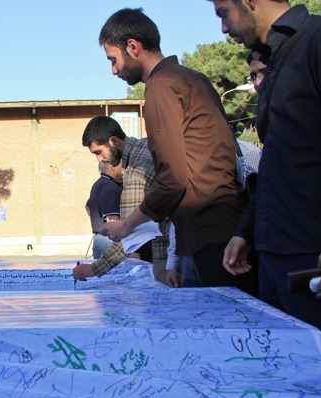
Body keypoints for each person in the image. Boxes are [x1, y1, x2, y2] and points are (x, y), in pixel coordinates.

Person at [210, 0, 321, 343]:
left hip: (320, 257)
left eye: (223, 13)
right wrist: (247, 232)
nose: (224, 28)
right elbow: (276, 163)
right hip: (274, 259)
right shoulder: (275, 62)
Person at [96, 8, 251, 293]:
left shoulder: (161, 86)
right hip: (226, 227)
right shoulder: (191, 78)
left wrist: (127, 225)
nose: (114, 70)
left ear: (133, 46)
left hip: (209, 235)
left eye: (113, 60)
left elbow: (174, 179)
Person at [73, 116, 170, 284]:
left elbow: (127, 231)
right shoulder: (146, 147)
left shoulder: (136, 170)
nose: (100, 159)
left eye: (98, 152)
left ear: (114, 141)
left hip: (168, 256)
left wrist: (95, 269)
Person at [166, 139, 262, 288]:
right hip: (190, 254)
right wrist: (172, 263)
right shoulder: (187, 157)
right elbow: (180, 213)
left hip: (230, 250)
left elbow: (257, 199)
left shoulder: (248, 152)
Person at [85, 157, 122, 259]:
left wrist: (98, 221)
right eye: (122, 165)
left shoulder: (99, 184)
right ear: (112, 167)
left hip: (101, 238)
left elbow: (88, 207)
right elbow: (113, 220)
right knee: (114, 269)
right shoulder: (110, 187)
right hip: (109, 240)